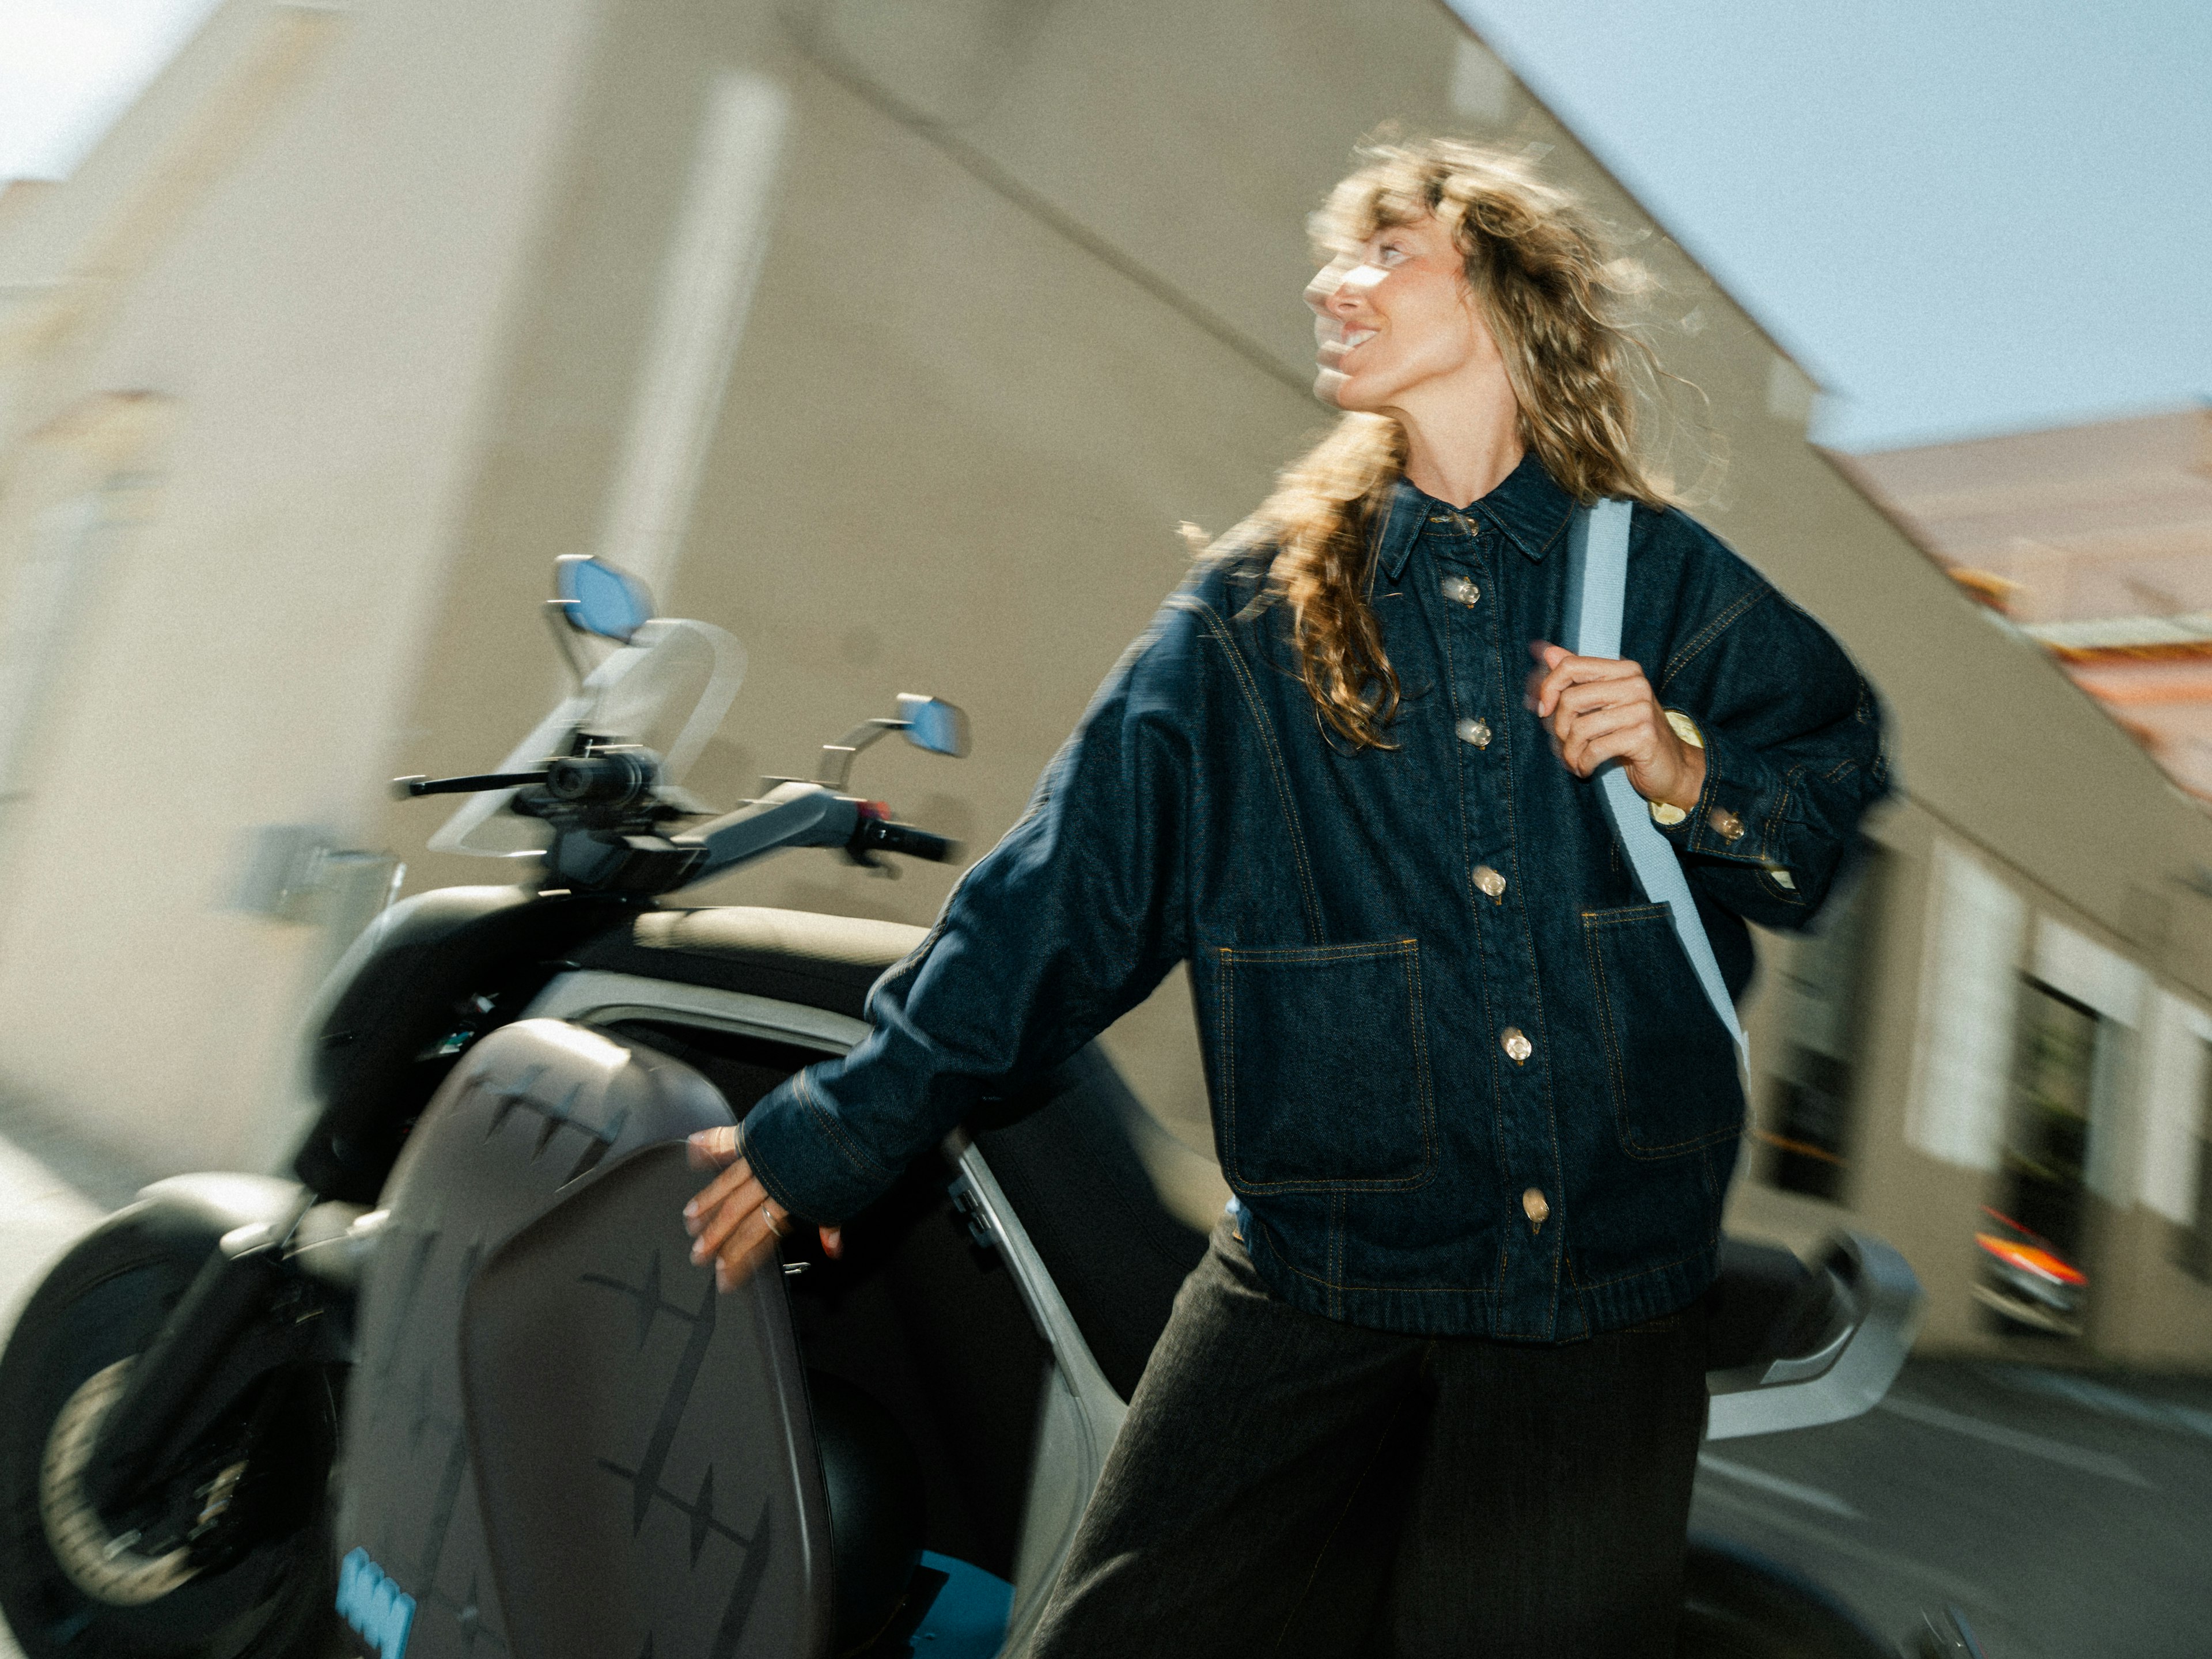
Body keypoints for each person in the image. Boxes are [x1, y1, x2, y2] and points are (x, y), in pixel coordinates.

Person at [682, 138, 1888, 1655]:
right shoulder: (1252, 616)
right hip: (1322, 1273)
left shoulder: (1661, 580)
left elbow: (1833, 791)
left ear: (1507, 293)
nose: (1334, 281)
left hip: (1601, 1300)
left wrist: (1687, 774)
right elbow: (1066, 895)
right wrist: (849, 1127)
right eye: (1332, 255)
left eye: (1387, 246)